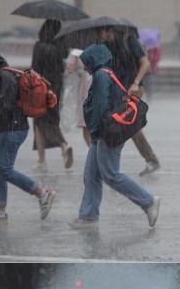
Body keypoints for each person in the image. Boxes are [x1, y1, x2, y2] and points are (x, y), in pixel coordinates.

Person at [68, 44, 161, 230]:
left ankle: (148, 201)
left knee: (110, 175)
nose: (84, 67)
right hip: (102, 132)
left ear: (93, 60)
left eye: (85, 63)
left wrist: (94, 128)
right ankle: (88, 216)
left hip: (106, 132)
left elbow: (101, 107)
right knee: (91, 175)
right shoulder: (106, 72)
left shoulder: (101, 75)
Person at [0, 48, 56, 225]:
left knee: (4, 169)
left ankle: (42, 193)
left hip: (13, 129)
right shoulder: (1, 76)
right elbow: (1, 106)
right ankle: (0, 212)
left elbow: (5, 106)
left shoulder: (5, 77)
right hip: (6, 128)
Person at [98, 26, 161, 176]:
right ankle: (149, 159)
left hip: (133, 89)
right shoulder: (108, 45)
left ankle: (112, 165)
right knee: (126, 124)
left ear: (110, 31)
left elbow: (145, 63)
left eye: (101, 32)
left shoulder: (130, 41)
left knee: (126, 123)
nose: (100, 36)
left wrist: (135, 82)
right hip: (119, 90)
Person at [31, 20, 74, 171]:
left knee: (40, 121)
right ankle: (44, 159)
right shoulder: (61, 48)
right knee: (51, 119)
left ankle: (62, 146)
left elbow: (34, 69)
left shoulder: (39, 46)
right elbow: (62, 67)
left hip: (41, 87)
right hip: (57, 88)